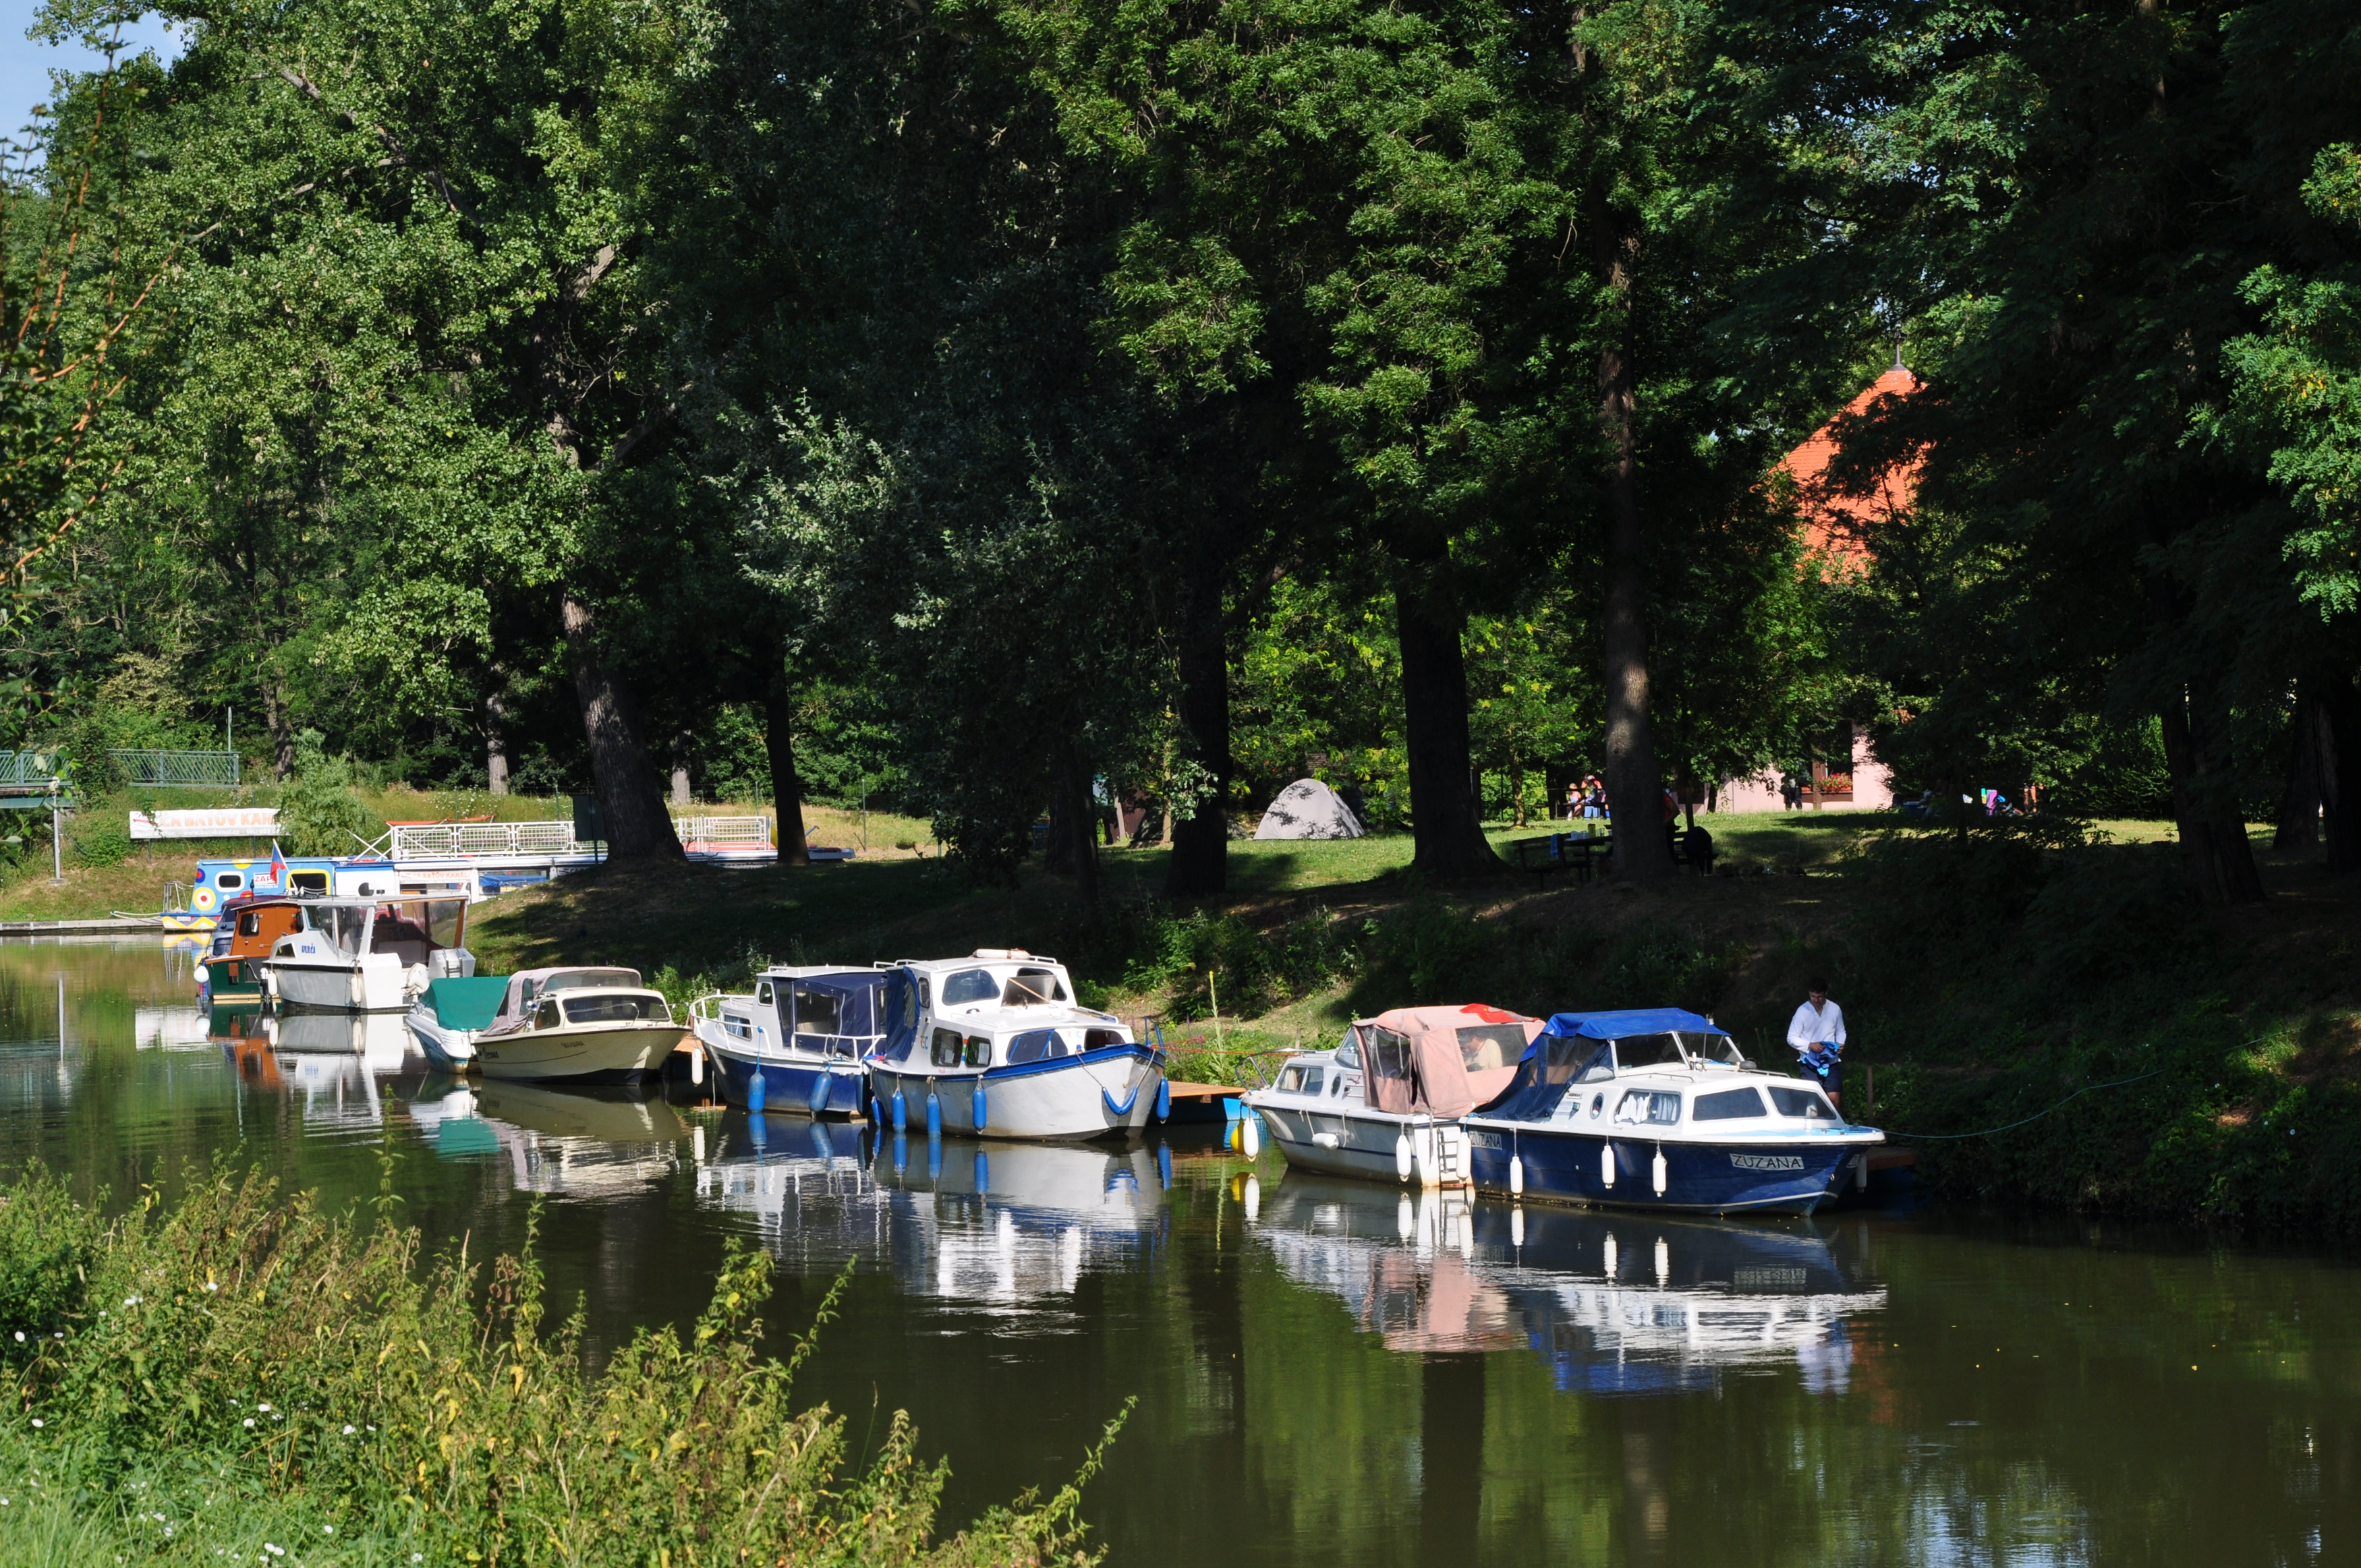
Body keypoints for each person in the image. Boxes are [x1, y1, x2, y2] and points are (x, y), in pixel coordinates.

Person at [1787, 978, 1847, 1109]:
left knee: (1834, 1099)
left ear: (1825, 993)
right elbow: (1791, 1037)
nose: (1816, 1000)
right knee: (1811, 1100)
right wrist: (1810, 1045)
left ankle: (1836, 1127)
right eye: (1813, 996)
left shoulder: (1834, 1009)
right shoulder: (1802, 1011)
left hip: (1832, 1061)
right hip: (1810, 1063)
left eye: (1819, 997)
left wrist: (1841, 1044)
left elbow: (1841, 1031)